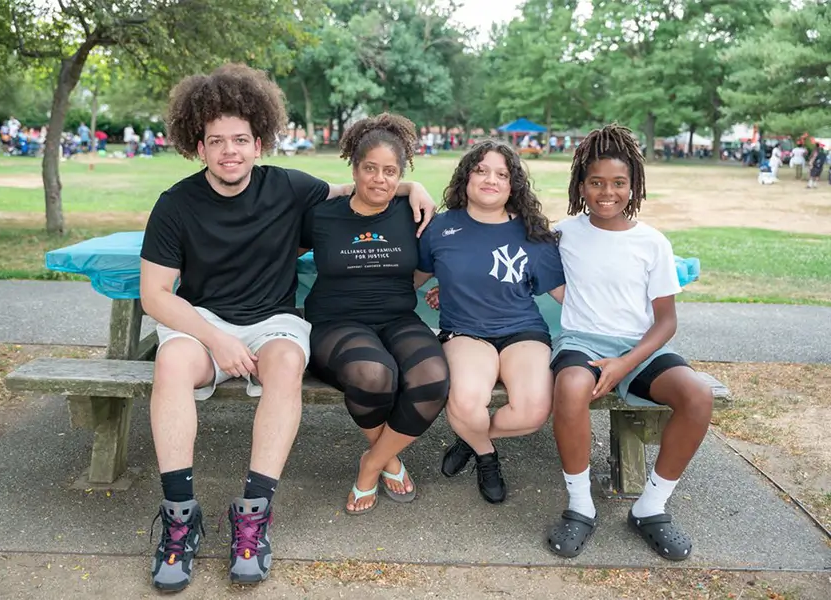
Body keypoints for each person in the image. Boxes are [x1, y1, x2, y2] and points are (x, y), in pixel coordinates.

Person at [139, 64, 436, 592]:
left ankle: (252, 516)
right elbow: (156, 295)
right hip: (203, 322)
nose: (229, 151)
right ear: (198, 147)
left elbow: (362, 186)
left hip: (273, 320)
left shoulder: (290, 188)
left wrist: (411, 183)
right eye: (215, 141)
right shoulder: (174, 205)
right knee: (170, 362)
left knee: (286, 364)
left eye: (239, 140)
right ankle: (180, 519)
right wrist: (217, 339)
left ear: (259, 142)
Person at [544, 124, 713, 561]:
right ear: (581, 184)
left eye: (619, 183)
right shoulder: (562, 234)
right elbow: (511, 265)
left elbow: (666, 321)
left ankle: (650, 507)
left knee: (697, 395)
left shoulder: (652, 242)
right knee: (571, 387)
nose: (607, 192)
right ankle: (580, 507)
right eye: (596, 182)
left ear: (633, 185)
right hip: (581, 341)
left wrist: (624, 363)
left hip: (641, 349)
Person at [300, 113, 449, 515]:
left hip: (398, 318)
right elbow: (273, 250)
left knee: (433, 378)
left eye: (390, 171)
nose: (379, 179)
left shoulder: (414, 212)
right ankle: (389, 462)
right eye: (370, 169)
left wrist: (414, 188)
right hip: (334, 323)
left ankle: (374, 460)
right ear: (355, 168)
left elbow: (443, 256)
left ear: (400, 174)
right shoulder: (322, 215)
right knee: (374, 374)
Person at [417, 140, 565, 504]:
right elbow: (412, 281)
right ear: (466, 177)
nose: (490, 180)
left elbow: (567, 295)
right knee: (467, 404)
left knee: (532, 412)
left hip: (523, 333)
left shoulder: (532, 234)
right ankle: (486, 456)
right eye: (481, 170)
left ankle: (471, 439)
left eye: (501, 174)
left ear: (513, 184)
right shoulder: (439, 228)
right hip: (466, 334)